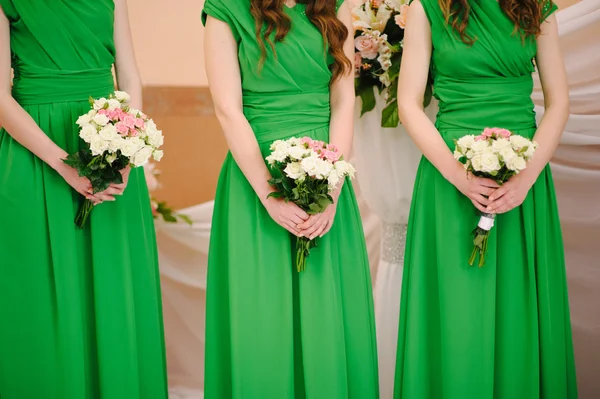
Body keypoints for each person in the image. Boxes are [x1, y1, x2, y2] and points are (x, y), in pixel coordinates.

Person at [394, 0, 577, 397]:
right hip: (450, 176)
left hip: (523, 177)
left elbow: (559, 102)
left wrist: (526, 179)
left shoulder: (537, 9)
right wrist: (458, 176)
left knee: (519, 310)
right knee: (459, 309)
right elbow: (407, 103)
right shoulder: (426, 8)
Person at [202, 0, 378, 397]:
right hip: (255, 177)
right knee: (262, 310)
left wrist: (332, 188)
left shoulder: (336, 8)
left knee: (326, 309)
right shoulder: (225, 10)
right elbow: (228, 109)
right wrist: (268, 194)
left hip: (326, 170)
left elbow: (344, 100)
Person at [0, 1, 168, 397]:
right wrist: (63, 164)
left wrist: (129, 148)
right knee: (39, 292)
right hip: (35, 150)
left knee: (114, 282)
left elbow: (128, 74)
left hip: (110, 141)